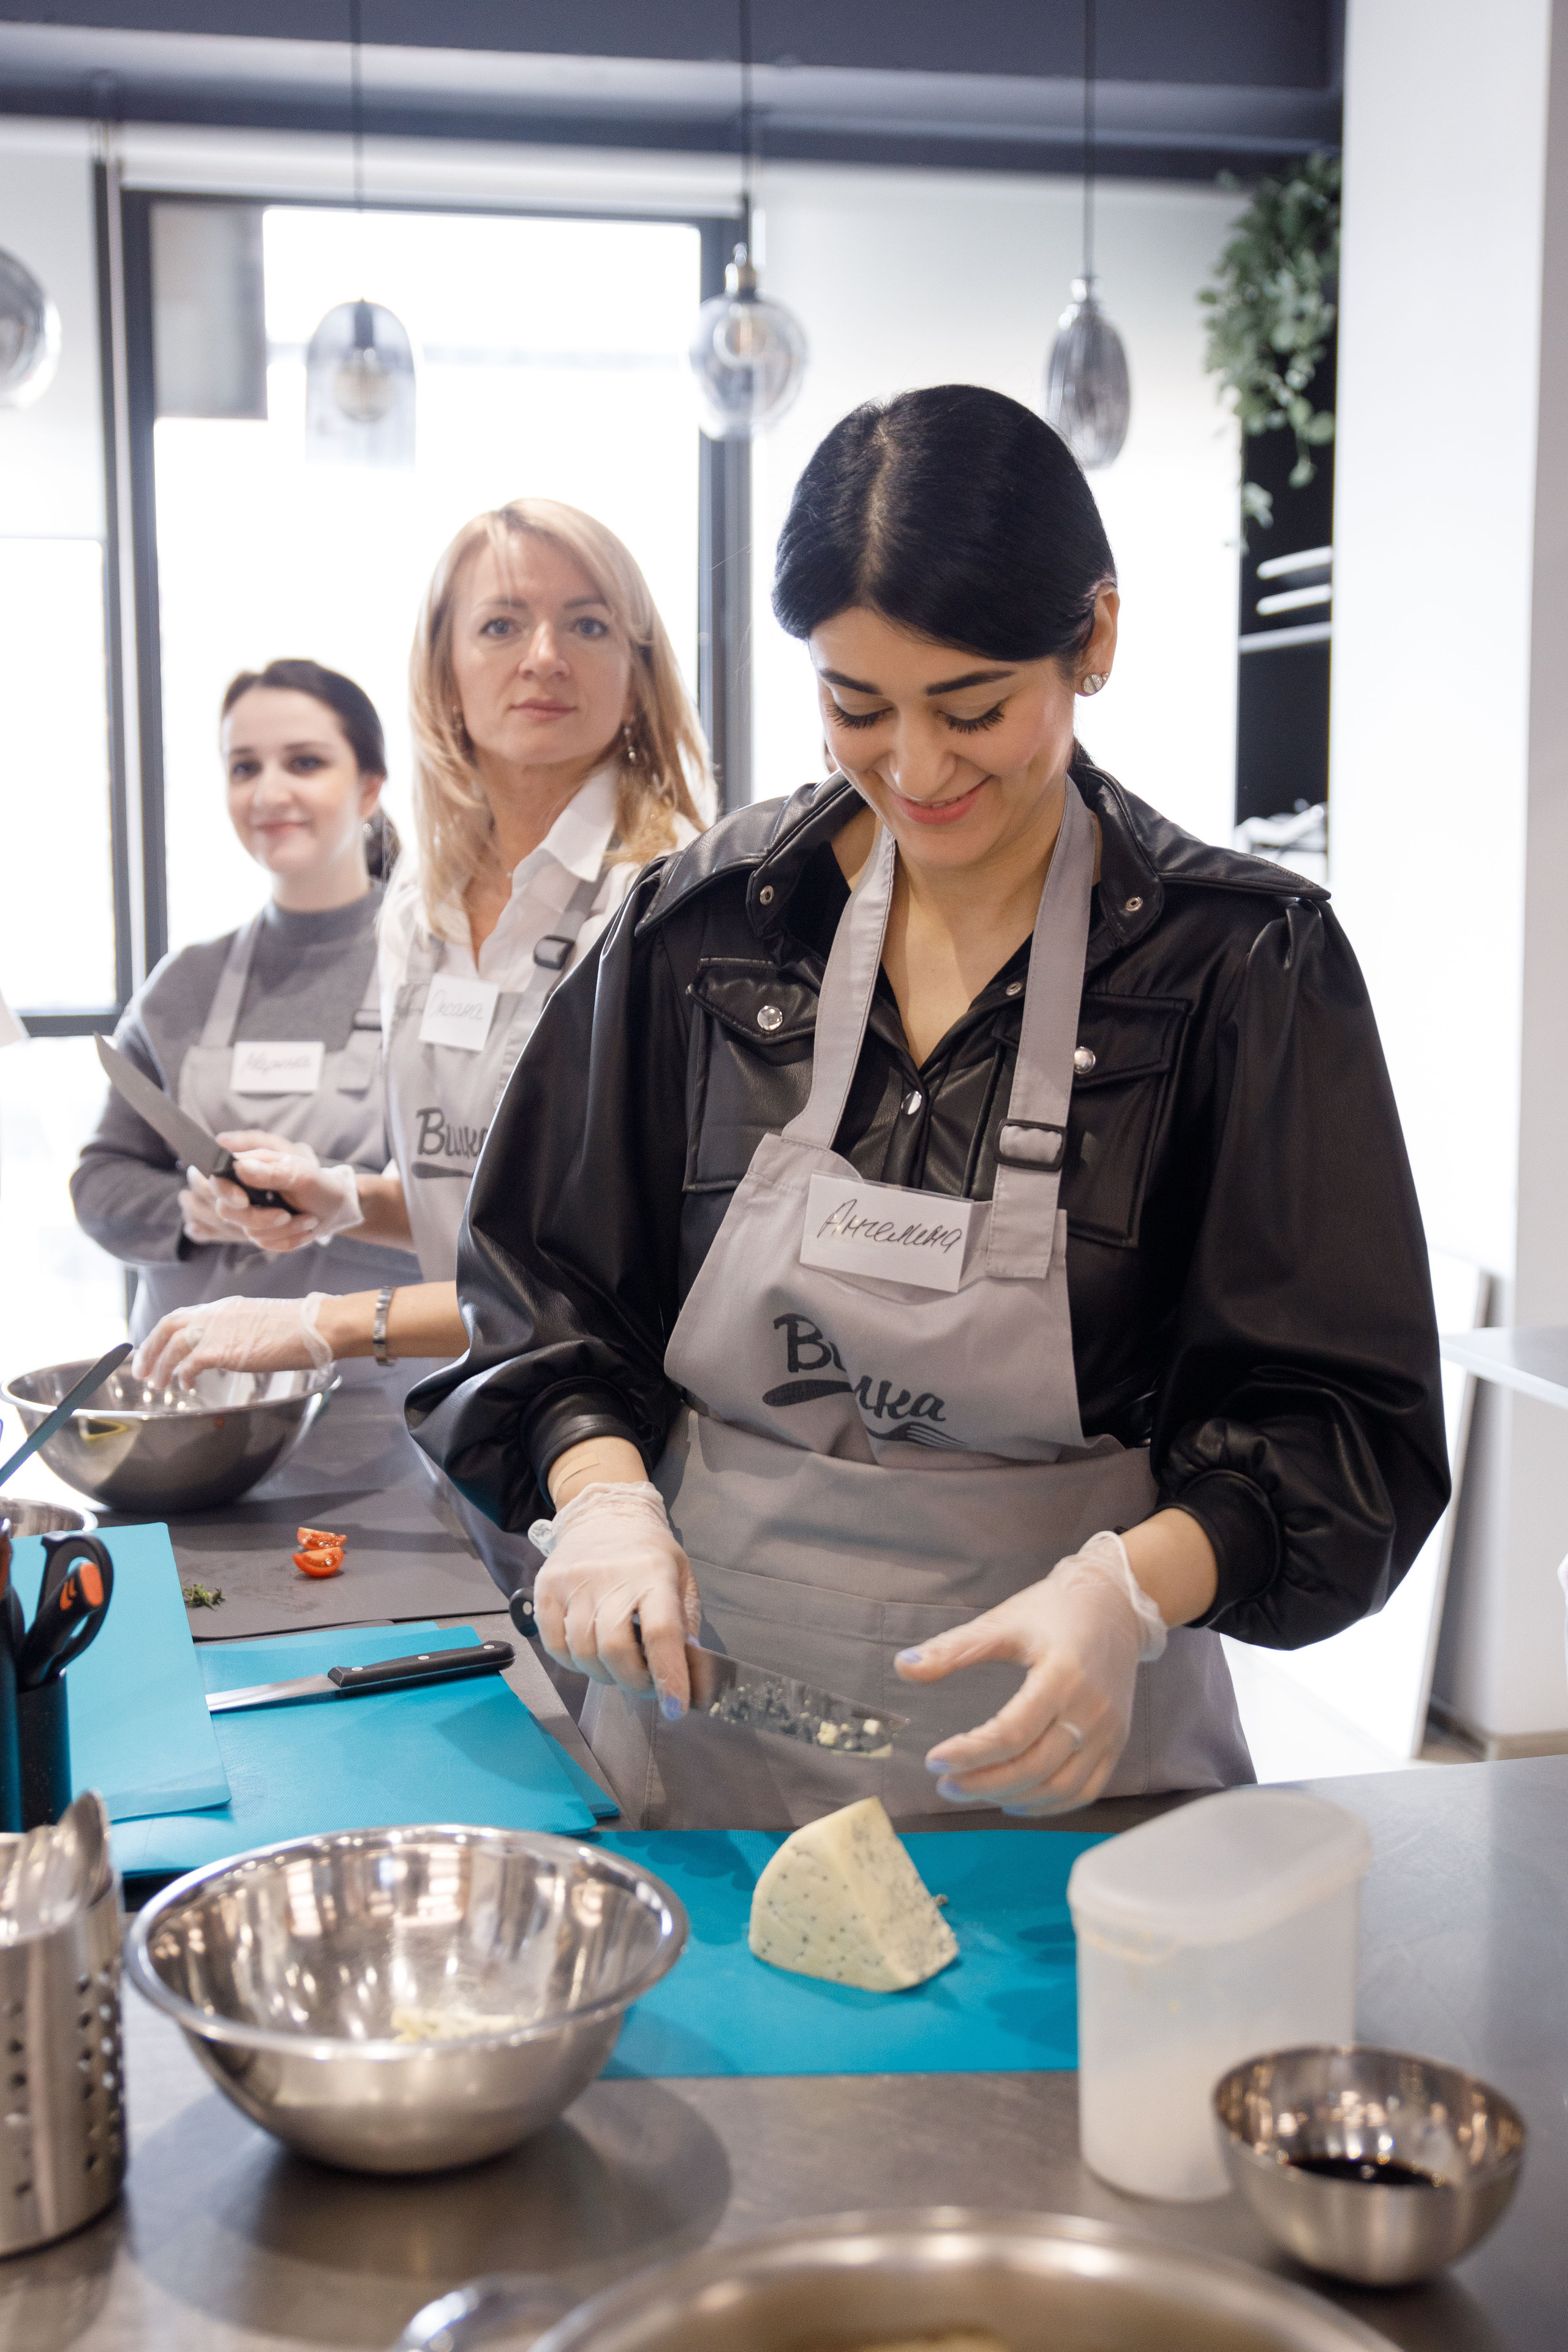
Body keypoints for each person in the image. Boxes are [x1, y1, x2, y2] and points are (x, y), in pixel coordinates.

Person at [408, 385, 1450, 1830]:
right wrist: (596, 1493)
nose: (912, 767)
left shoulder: (1234, 968)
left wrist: (1123, 1590)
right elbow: (543, 1287)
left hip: (1076, 1754)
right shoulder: (702, 930)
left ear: (1089, 639)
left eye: (972, 708)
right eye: (855, 707)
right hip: (707, 1735)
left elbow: (1339, 1422)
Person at [131, 500, 712, 1395]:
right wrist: (344, 1200)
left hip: (625, 1435)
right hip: (473, 1429)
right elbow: (477, 1207)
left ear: (636, 674)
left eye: (588, 624)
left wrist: (316, 1323)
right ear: (445, 672)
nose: (545, 656)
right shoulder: (420, 899)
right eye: (502, 624)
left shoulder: (668, 896)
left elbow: (610, 1266)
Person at [73, 659, 418, 1365]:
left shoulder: (436, 976)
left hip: (376, 1420)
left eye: (305, 762)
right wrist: (190, 1211)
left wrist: (329, 1193)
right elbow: (100, 1184)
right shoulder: (183, 986)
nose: (269, 792)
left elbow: (478, 1202)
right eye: (243, 767)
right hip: (188, 1418)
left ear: (370, 787)